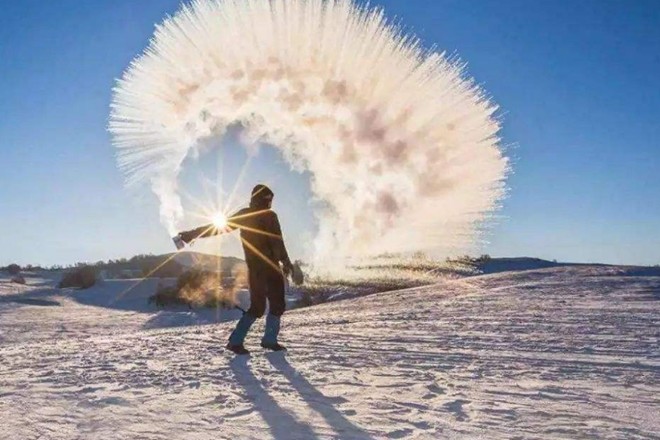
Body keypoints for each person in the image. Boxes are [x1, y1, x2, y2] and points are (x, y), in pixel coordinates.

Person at [176, 184, 293, 355]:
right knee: (267, 306)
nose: (270, 203)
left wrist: (191, 234)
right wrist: (286, 262)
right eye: (268, 199)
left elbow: (217, 228)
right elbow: (277, 241)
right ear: (261, 199)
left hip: (263, 268)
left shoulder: (256, 215)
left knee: (267, 306)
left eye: (271, 200)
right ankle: (249, 341)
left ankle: (256, 341)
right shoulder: (258, 215)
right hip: (264, 268)